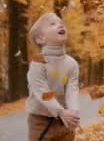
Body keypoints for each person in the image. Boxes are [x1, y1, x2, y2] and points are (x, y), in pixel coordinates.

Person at [26, 12, 80, 141]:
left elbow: (71, 90)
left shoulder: (71, 63)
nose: (60, 25)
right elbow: (43, 92)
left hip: (64, 120)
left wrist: (72, 112)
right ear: (41, 39)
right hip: (41, 121)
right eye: (53, 24)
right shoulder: (38, 62)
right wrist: (60, 111)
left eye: (61, 23)